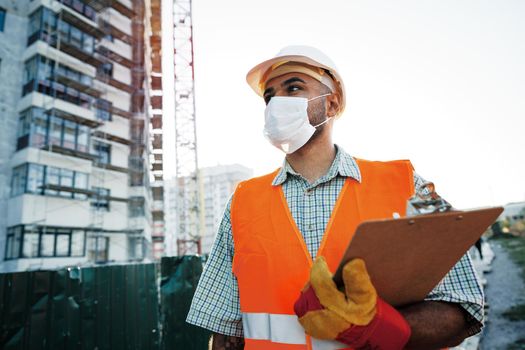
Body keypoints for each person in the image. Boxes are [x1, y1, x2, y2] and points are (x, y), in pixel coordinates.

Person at [186, 45, 484, 349]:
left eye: (294, 87)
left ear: (331, 103)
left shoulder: (405, 185)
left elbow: (461, 309)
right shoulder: (243, 202)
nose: (277, 103)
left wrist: (378, 326)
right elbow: (225, 334)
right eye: (269, 96)